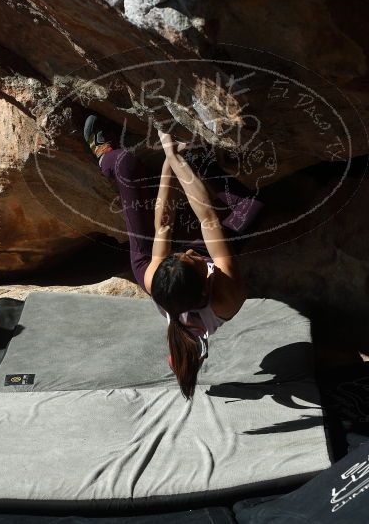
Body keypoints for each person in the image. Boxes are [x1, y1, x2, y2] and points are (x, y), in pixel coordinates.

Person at [85, 115, 263, 399]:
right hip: (182, 265)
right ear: (208, 282)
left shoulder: (157, 277)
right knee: (252, 206)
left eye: (184, 255)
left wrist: (170, 163)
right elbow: (208, 219)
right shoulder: (227, 297)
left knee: (125, 165)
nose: (189, 251)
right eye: (190, 257)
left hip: (151, 263)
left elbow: (164, 225)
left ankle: (103, 156)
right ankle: (199, 156)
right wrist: (180, 159)